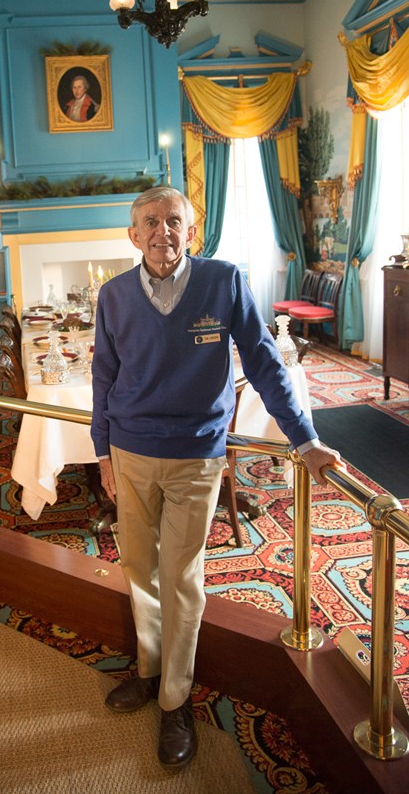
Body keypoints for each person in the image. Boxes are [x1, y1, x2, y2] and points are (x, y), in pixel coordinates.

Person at [90, 186, 344, 769]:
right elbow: (103, 377)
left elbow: (262, 359)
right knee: (136, 565)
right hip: (129, 453)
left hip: (196, 455)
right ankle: (150, 671)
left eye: (173, 221)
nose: (162, 232)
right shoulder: (113, 296)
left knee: (181, 575)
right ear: (133, 236)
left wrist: (303, 438)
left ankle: (175, 700)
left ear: (190, 229)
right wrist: (102, 452)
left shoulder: (223, 281)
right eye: (149, 223)